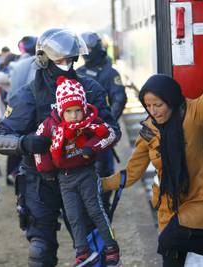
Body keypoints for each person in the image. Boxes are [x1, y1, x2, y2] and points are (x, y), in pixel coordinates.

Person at [0, 28, 121, 267]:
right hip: (40, 181)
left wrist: (91, 145)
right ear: (44, 59)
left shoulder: (90, 89)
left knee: (94, 249)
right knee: (39, 251)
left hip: (81, 177)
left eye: (71, 59)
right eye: (60, 60)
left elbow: (113, 129)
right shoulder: (27, 95)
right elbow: (0, 138)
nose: (67, 65)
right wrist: (25, 143)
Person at [102, 75, 203, 267]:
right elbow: (132, 172)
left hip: (201, 200)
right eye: (148, 106)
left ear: (170, 99)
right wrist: (99, 185)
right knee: (170, 258)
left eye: (158, 105)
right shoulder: (149, 131)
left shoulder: (193, 112)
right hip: (169, 206)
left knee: (167, 241)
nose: (153, 111)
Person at [34, 76, 120, 266]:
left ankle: (111, 246)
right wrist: (45, 169)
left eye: (78, 110)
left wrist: (92, 147)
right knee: (73, 216)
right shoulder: (50, 125)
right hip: (64, 178)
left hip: (86, 173)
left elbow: (110, 133)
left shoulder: (90, 121)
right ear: (60, 109)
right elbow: (38, 147)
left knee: (95, 211)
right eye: (69, 111)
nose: (74, 116)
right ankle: (82, 251)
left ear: (84, 108)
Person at [77, 32, 127, 216]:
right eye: (84, 50)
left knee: (104, 172)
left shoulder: (110, 73)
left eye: (90, 50)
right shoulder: (79, 73)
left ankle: (104, 209)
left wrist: (105, 125)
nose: (87, 54)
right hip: (79, 135)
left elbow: (119, 99)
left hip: (102, 135)